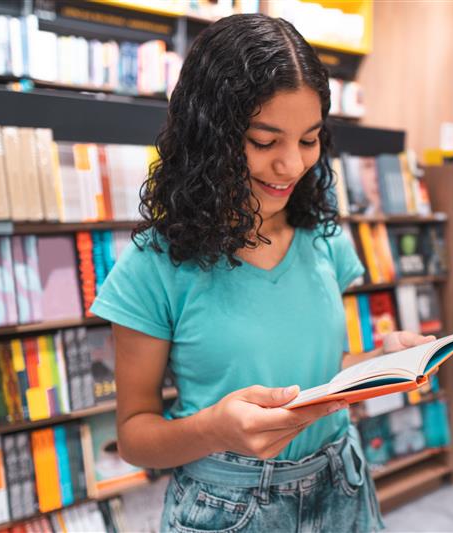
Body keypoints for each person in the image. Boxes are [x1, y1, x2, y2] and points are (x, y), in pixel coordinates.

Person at [90, 13, 434, 533]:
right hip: (227, 503)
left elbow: (318, 367)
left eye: (310, 139)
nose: (292, 166)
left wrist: (378, 364)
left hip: (343, 480)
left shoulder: (325, 239)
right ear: (209, 137)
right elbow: (135, 437)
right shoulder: (154, 267)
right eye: (264, 141)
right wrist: (214, 429)